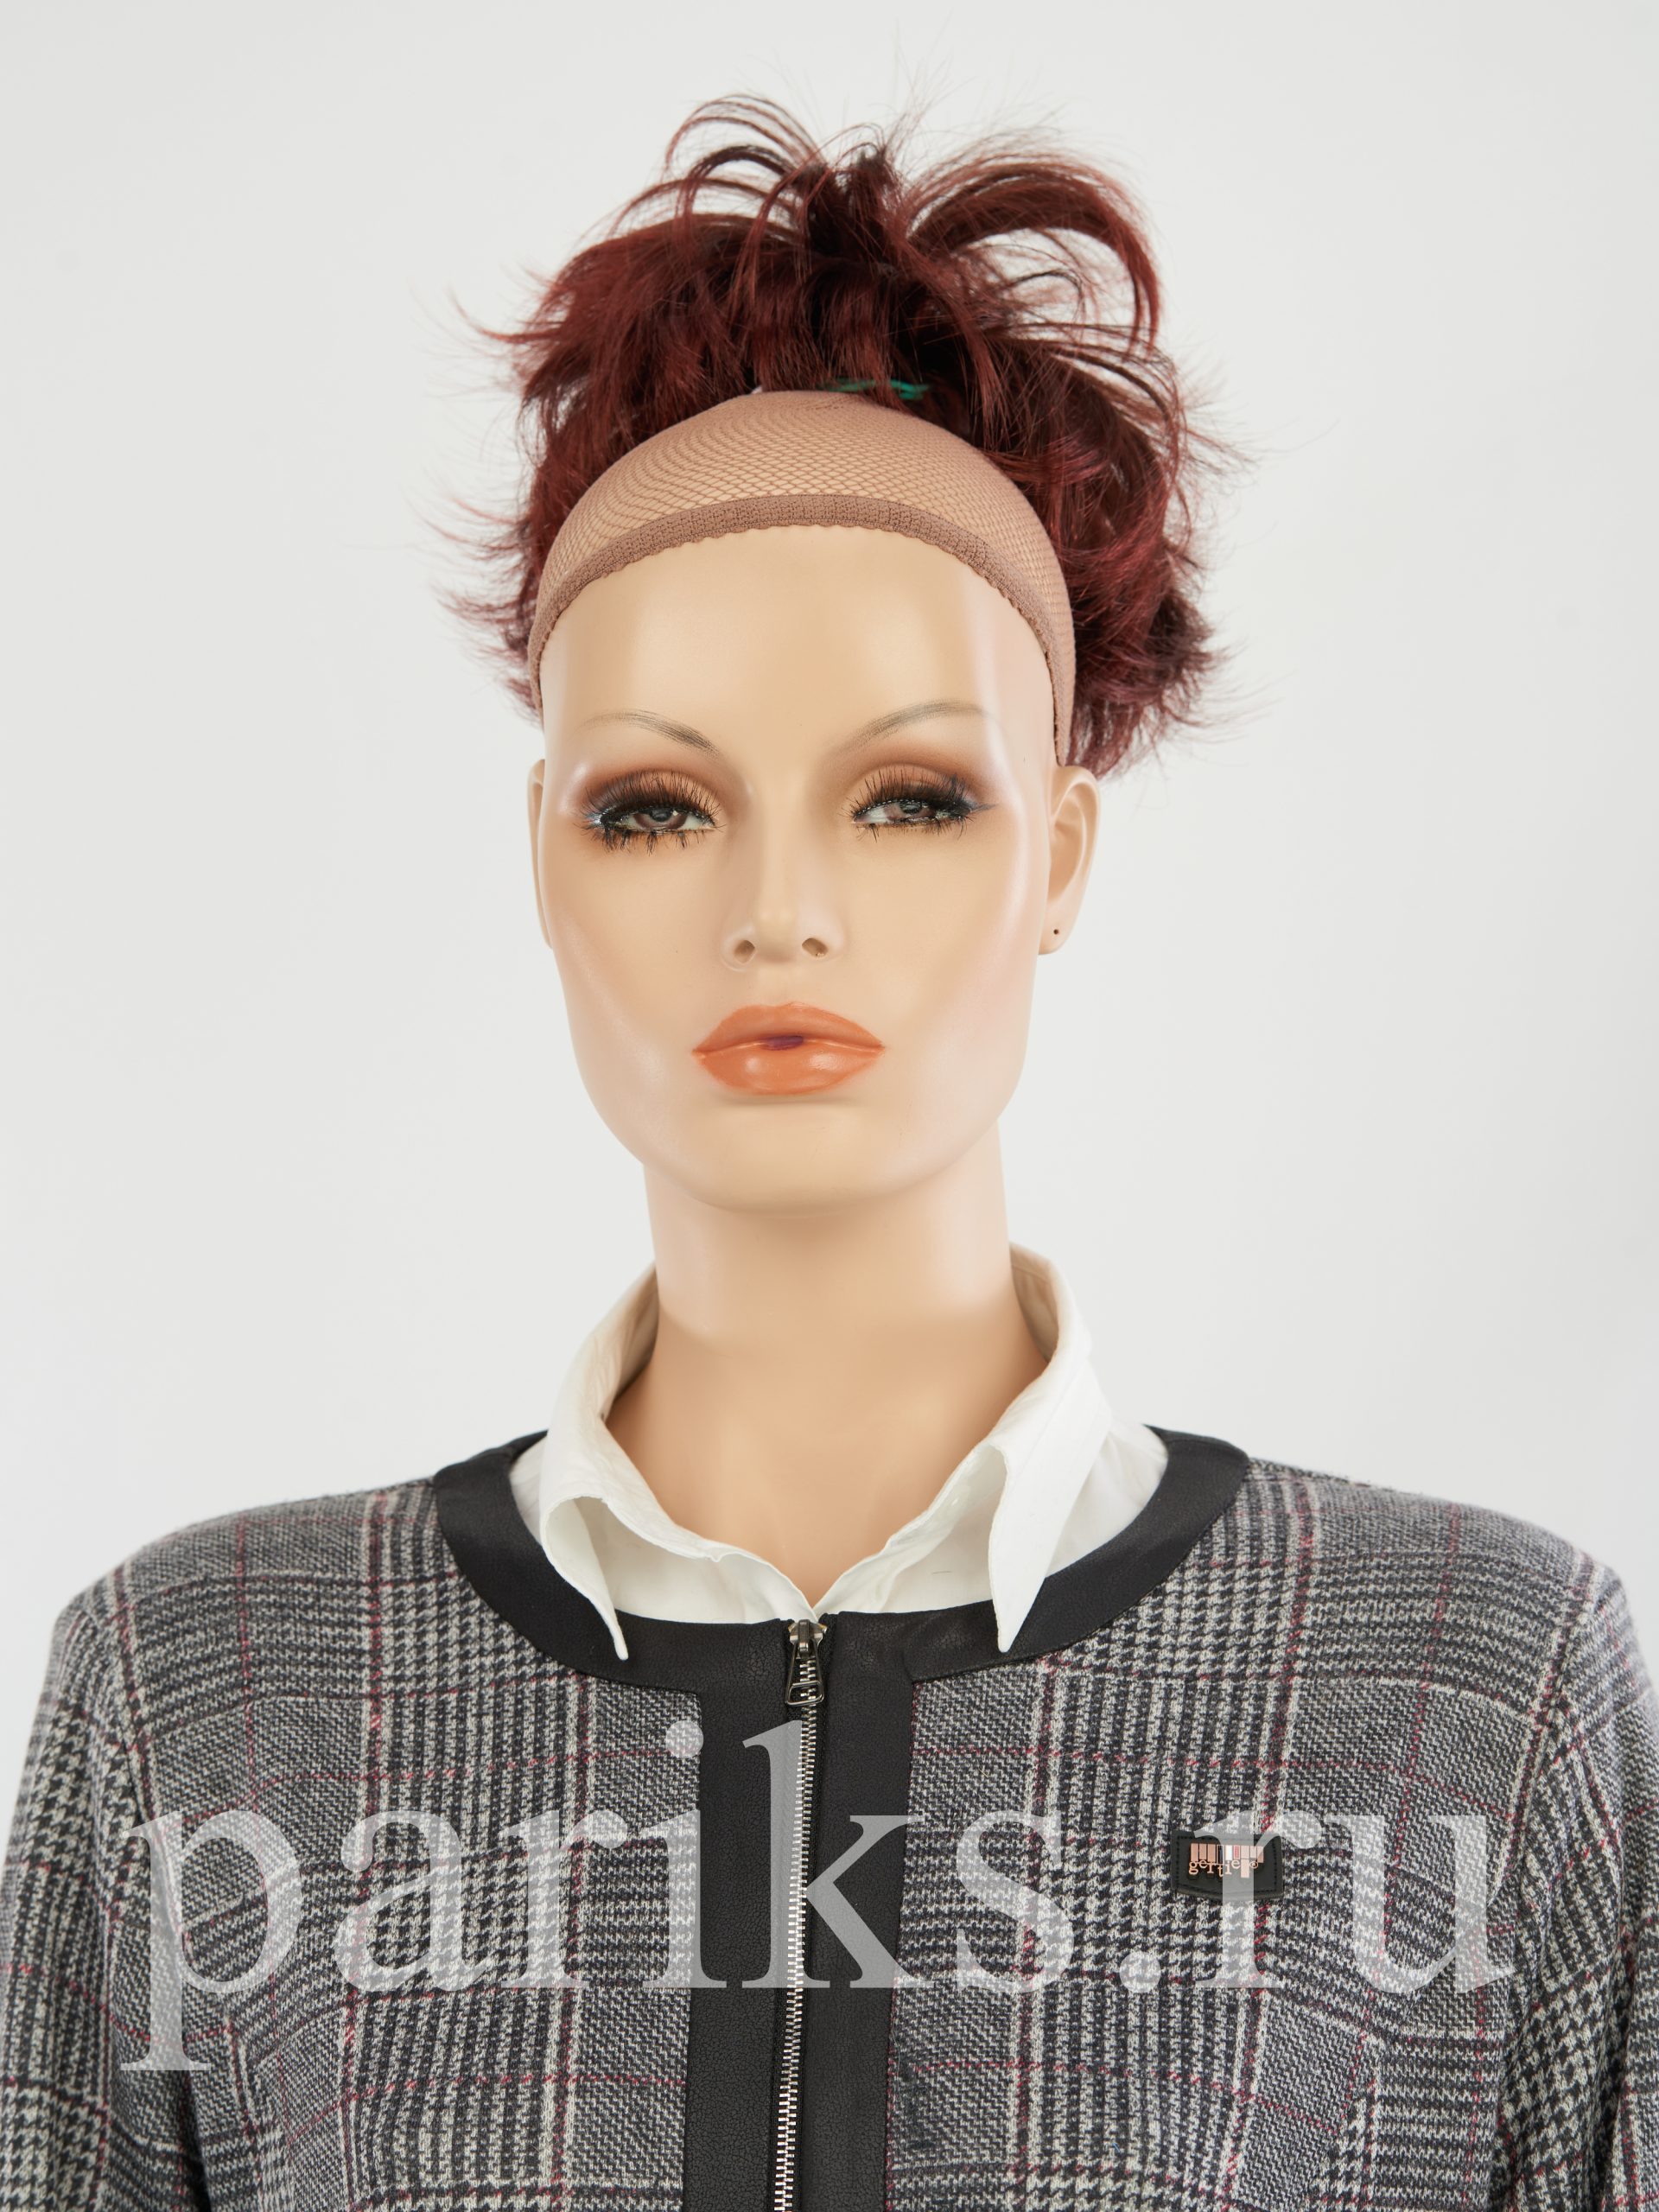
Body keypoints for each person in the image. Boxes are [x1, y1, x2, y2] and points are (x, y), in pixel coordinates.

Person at [2, 94, 1654, 2211]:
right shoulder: (201, 1693)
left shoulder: (1472, 1686)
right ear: (544, 861)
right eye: (656, 806)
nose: (777, 908)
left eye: (909, 798)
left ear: (1059, 854)